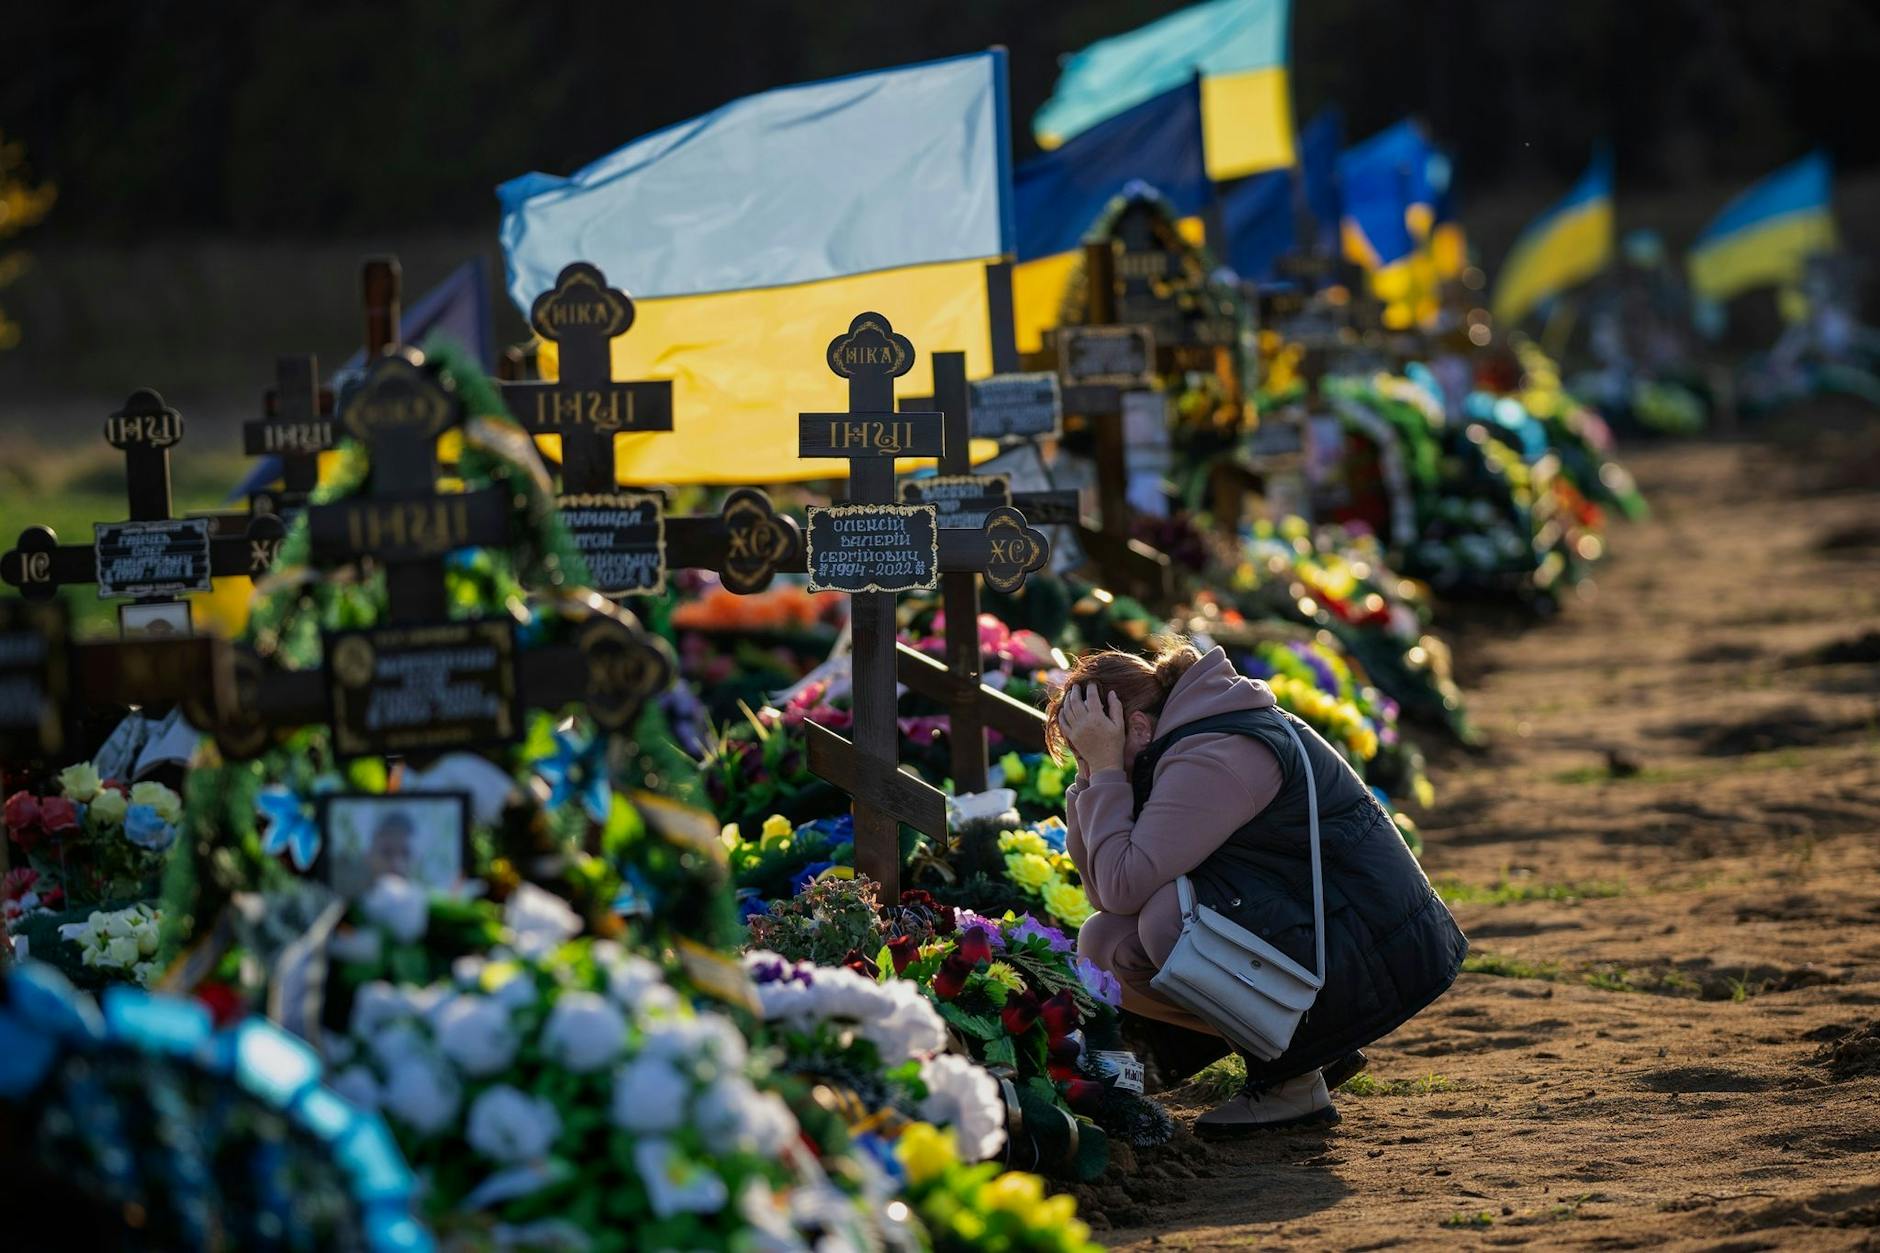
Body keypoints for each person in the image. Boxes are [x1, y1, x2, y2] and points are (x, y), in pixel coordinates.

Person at [1048, 638, 1467, 1136]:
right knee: (1105, 941)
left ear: (1137, 727)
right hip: (1317, 929)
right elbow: (1106, 895)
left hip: (1372, 946)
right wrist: (1092, 779)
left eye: (1090, 746)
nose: (1090, 761)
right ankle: (1307, 1049)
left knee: (1170, 919)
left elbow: (1123, 885)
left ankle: (1292, 1079)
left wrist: (1107, 772)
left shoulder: (1215, 751)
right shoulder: (1179, 735)